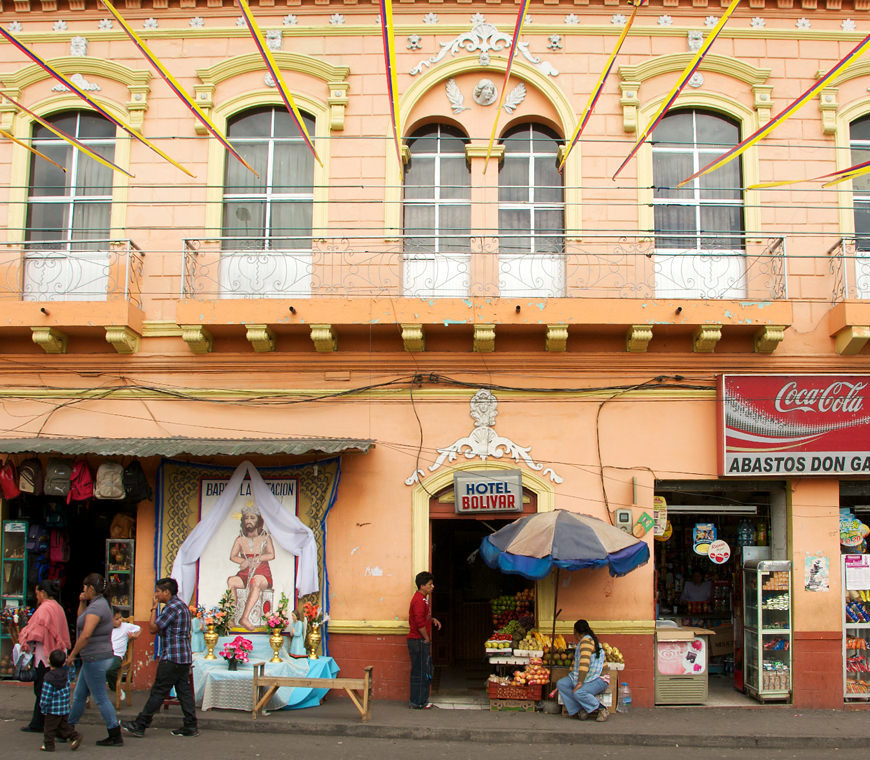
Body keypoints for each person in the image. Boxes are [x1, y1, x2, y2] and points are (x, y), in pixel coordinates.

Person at [121, 577, 198, 739]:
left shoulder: (170, 608)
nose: (156, 594)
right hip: (183, 656)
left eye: (158, 591)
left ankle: (140, 724)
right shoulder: (182, 606)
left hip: (171, 657)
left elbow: (153, 628)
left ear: (166, 592)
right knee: (184, 692)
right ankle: (191, 725)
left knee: (158, 691)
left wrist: (153, 609)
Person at [66, 573, 123, 746]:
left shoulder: (98, 607)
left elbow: (85, 634)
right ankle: (67, 728)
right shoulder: (97, 604)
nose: (83, 590)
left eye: (85, 588)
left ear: (91, 588)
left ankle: (114, 733)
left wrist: (72, 654)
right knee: (79, 695)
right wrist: (82, 601)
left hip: (95, 657)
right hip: (94, 657)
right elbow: (80, 620)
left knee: (100, 698)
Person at [18, 580, 71, 735]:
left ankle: (45, 724)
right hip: (56, 654)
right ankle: (39, 722)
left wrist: (24, 639)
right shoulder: (58, 608)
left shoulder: (44, 609)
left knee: (42, 688)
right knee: (48, 687)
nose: (37, 597)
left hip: (44, 655)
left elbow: (36, 633)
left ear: (42, 593)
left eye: (37, 594)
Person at [227, 505, 275, 630]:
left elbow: (271, 555)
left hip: (262, 573)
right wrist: (244, 561)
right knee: (231, 581)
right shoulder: (240, 539)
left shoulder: (265, 538)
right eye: (246, 518)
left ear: (258, 521)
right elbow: (233, 556)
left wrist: (258, 559)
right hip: (245, 573)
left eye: (252, 518)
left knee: (256, 581)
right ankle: (231, 618)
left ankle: (245, 617)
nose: (249, 521)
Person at [556, 619, 610, 722]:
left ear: (576, 632)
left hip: (599, 679)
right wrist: (572, 676)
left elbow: (584, 664)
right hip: (587, 677)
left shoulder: (586, 642)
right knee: (561, 684)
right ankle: (580, 709)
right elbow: (576, 663)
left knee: (578, 693)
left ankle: (601, 708)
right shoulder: (583, 642)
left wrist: (580, 682)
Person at [407, 570, 441, 710]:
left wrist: (432, 619)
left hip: (418, 641)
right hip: (418, 641)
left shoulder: (422, 599)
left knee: (421, 671)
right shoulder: (419, 601)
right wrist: (426, 638)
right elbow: (419, 622)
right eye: (430, 584)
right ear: (422, 586)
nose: (432, 587)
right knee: (421, 672)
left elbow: (422, 618)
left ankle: (419, 700)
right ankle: (418, 702)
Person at [39, 648, 82, 752]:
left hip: (52, 710)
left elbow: (46, 696)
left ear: (49, 661)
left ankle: (48, 746)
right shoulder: (66, 674)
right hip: (64, 708)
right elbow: (72, 676)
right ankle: (75, 736)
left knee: (49, 729)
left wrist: (43, 708)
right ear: (63, 663)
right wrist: (71, 667)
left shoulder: (48, 678)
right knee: (64, 726)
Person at [105, 608, 141, 697]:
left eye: (120, 617)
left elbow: (139, 629)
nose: (120, 620)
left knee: (109, 669)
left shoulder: (125, 626)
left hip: (116, 655)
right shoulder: (106, 628)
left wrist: (135, 635)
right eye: (117, 619)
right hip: (105, 653)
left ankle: (115, 688)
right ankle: (86, 694)